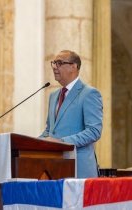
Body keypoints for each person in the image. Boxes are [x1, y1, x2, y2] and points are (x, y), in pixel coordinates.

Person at [40, 50, 103, 178]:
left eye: (59, 63)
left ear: (74, 66)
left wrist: (61, 142)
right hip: (54, 168)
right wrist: (32, 144)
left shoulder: (89, 93)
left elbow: (93, 131)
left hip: (79, 169)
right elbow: (49, 131)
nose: (54, 67)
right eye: (53, 63)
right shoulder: (53, 96)